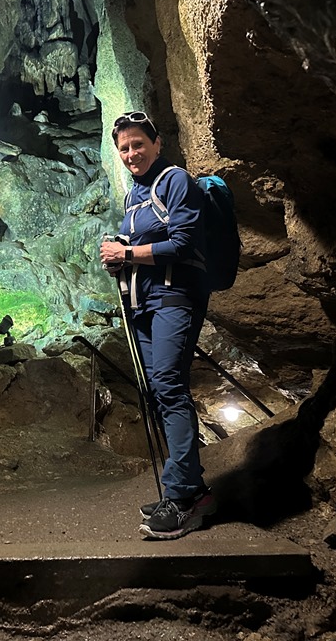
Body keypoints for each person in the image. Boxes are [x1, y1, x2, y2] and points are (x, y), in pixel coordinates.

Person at [100, 110, 217, 540]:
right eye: (124, 148)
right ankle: (193, 489)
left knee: (169, 386)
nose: (131, 153)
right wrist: (118, 255)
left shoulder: (175, 181)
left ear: (157, 144)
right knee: (157, 391)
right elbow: (139, 245)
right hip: (143, 304)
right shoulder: (135, 195)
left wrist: (127, 254)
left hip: (174, 299)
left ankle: (182, 497)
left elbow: (183, 243)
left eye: (138, 144)